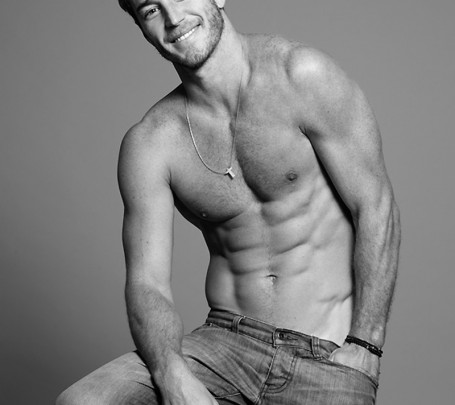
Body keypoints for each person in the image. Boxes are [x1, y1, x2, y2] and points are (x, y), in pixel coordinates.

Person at [57, 0, 401, 404]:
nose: (173, 18)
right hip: (222, 346)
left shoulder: (301, 76)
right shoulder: (151, 143)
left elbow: (375, 206)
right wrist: (171, 373)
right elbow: (148, 283)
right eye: (150, 9)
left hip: (326, 354)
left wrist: (366, 346)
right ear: (142, 29)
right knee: (81, 401)